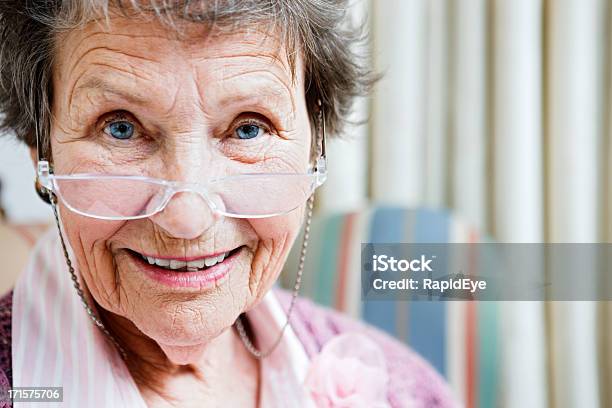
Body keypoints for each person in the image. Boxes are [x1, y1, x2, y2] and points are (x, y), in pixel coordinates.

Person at [0, 1, 456, 406]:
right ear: (42, 151)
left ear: (315, 148)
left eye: (248, 128)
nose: (186, 219)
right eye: (120, 127)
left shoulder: (408, 391)